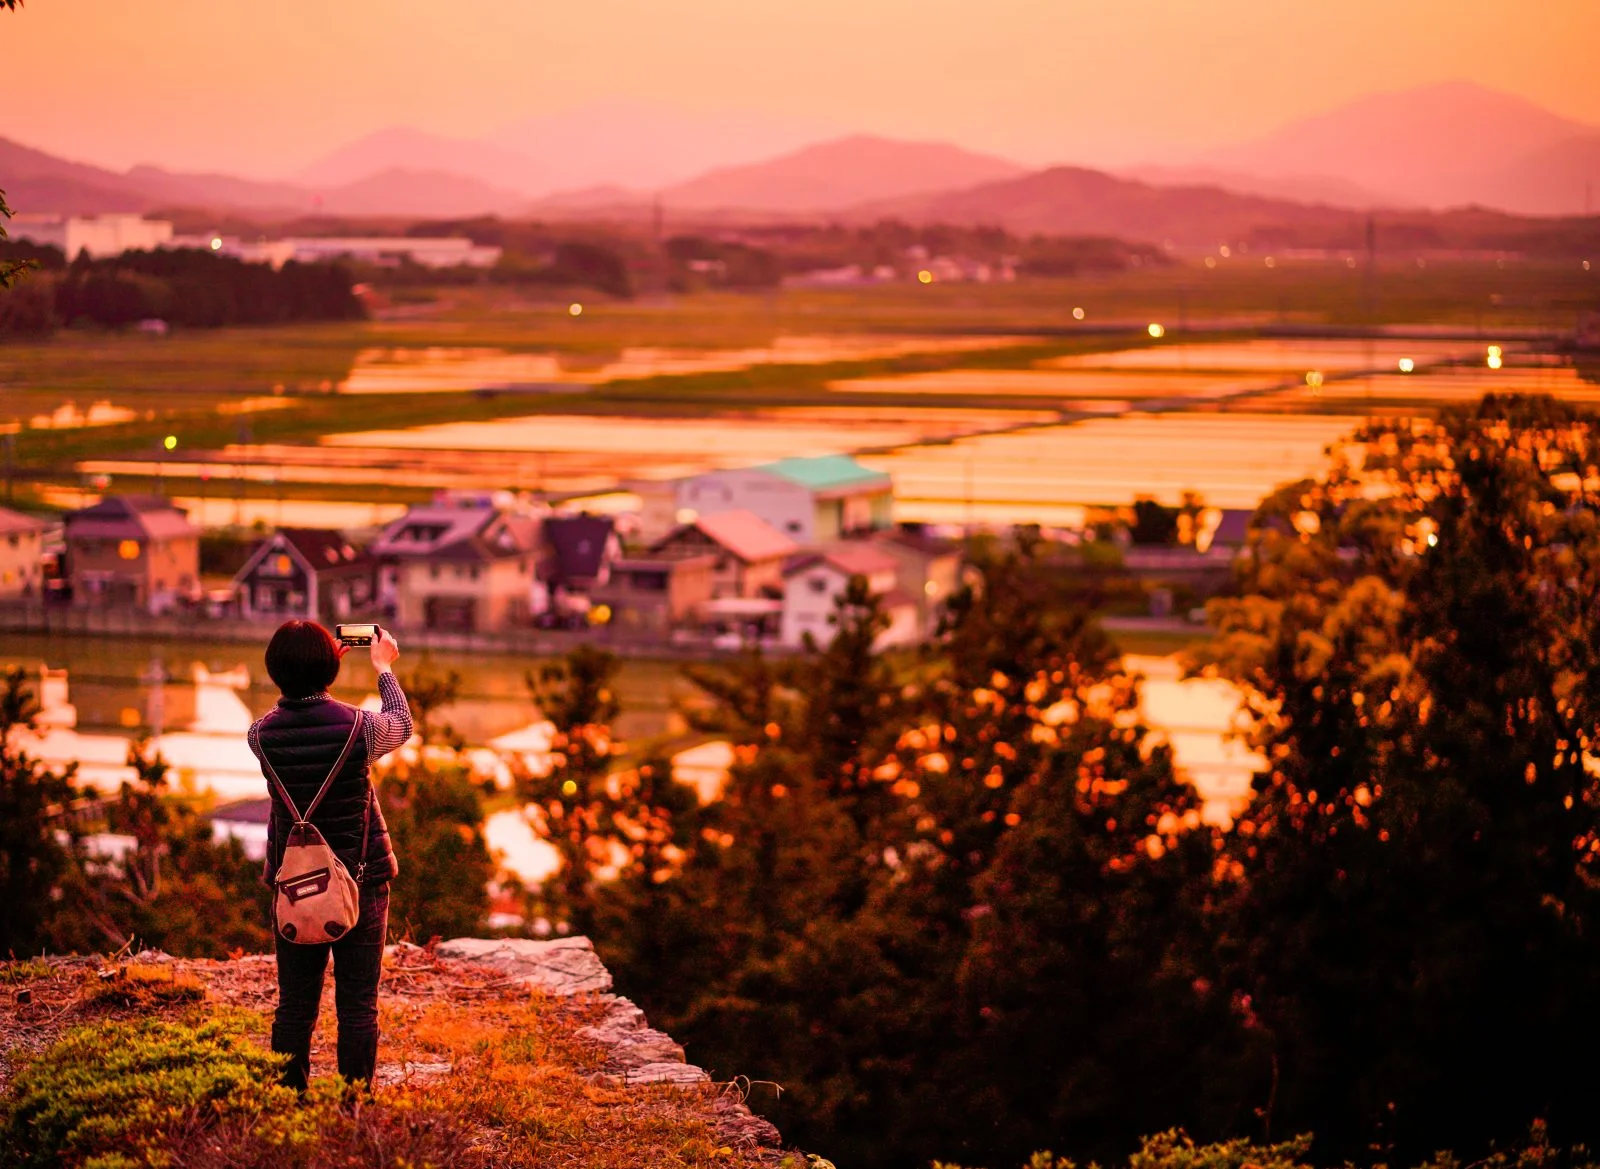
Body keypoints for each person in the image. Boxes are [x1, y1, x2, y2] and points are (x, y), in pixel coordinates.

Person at [247, 620, 413, 1092]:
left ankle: (288, 1102)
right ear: (331, 666)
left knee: (295, 1004)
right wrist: (382, 668)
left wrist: (314, 672)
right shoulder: (359, 729)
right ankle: (352, 1107)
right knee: (358, 1003)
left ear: (275, 672)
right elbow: (400, 724)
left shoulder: (260, 737)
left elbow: (297, 716)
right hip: (360, 879)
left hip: (295, 883)